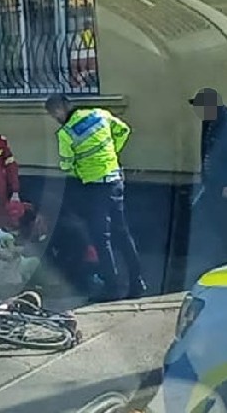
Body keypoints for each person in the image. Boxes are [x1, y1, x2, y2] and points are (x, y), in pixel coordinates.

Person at [45, 94, 147, 301]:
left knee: (101, 238)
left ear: (60, 109)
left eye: (54, 113)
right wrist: (111, 154)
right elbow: (123, 130)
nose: (55, 117)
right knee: (122, 233)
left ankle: (112, 288)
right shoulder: (100, 114)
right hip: (115, 179)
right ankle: (137, 282)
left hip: (94, 186)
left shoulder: (66, 133)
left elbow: (66, 164)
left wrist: (80, 169)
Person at [187, 88, 227, 282]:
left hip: (225, 183)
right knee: (215, 221)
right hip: (213, 181)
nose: (198, 112)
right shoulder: (210, 121)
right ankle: (224, 256)